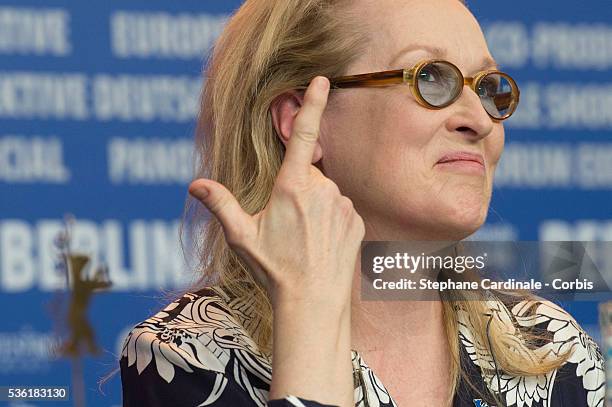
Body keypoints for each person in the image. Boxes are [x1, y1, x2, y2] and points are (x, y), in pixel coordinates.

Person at [119, 0, 606, 406]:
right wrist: (308, 310)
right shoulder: (190, 357)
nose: (479, 120)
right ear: (304, 117)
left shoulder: (555, 351)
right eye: (431, 79)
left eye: (487, 87)